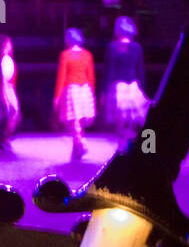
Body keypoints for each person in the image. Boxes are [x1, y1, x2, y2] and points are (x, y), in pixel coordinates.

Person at [102, 15, 148, 144]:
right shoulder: (137, 47)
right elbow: (140, 71)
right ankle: (132, 146)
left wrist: (104, 91)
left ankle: (123, 146)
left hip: (118, 87)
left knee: (120, 121)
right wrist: (143, 90)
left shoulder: (112, 47)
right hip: (133, 86)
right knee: (134, 120)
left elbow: (109, 70)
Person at [52, 26, 96, 162]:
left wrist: (57, 96)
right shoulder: (87, 54)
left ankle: (81, 143)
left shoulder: (65, 55)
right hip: (85, 89)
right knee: (80, 120)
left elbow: (62, 76)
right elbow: (91, 76)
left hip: (72, 89)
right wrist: (92, 92)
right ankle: (76, 149)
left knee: (75, 120)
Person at [0, 34, 20, 150]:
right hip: (7, 88)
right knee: (13, 111)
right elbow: (3, 79)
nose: (11, 45)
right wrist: (4, 94)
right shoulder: (4, 59)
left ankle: (5, 137)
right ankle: (4, 137)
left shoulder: (6, 58)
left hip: (10, 88)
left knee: (14, 112)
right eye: (9, 43)